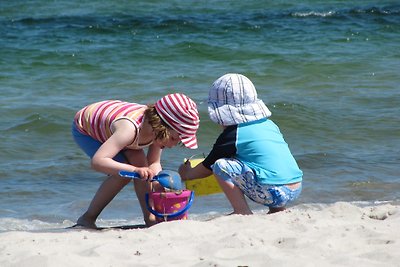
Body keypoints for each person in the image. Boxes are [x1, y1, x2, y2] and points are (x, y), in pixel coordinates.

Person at [179, 73, 303, 214]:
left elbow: (207, 167)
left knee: (221, 165)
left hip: (274, 192)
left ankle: (241, 211)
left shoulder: (234, 134)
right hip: (295, 188)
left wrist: (186, 173)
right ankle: (277, 209)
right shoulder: (269, 124)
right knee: (258, 163)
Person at [72, 93, 199, 228]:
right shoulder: (129, 130)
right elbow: (98, 161)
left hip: (122, 133)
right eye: (174, 139)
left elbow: (153, 163)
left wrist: (158, 183)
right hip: (87, 128)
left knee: (143, 170)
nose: (173, 145)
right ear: (161, 126)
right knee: (124, 174)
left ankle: (150, 218)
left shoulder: (156, 130)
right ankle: (87, 218)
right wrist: (134, 170)